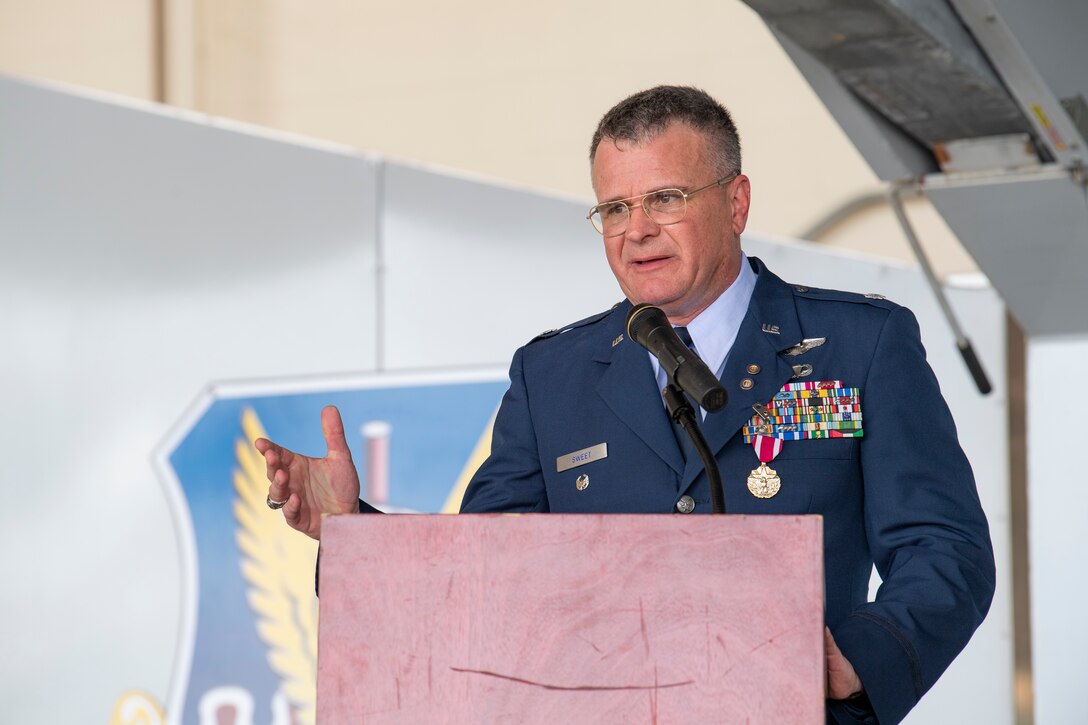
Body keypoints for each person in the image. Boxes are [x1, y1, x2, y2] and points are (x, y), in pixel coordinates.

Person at [255, 86, 995, 724]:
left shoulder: (857, 345)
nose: (636, 229)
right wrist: (353, 534)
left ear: (736, 201)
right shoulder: (552, 376)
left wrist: (857, 658)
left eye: (665, 198)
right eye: (614, 207)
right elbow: (485, 575)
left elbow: (945, 547)